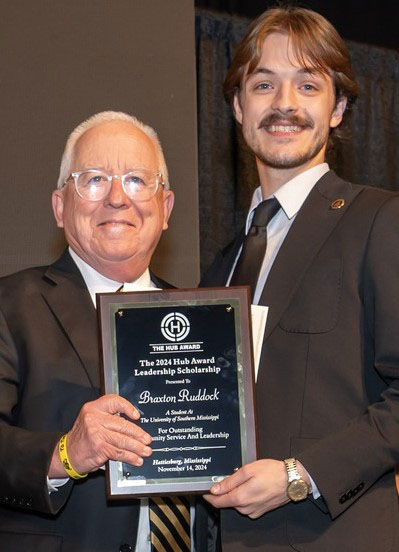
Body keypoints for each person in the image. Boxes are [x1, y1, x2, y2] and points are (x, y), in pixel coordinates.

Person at [201, 6, 399, 551]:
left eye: (307, 85)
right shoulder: (222, 266)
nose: (284, 104)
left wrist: (299, 476)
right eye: (264, 84)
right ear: (239, 108)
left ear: (337, 108)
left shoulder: (380, 222)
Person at [0, 111, 215, 552]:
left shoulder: (207, 321)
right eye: (94, 179)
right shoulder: (11, 305)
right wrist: (64, 454)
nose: (118, 198)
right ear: (60, 207)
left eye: (137, 180)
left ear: (166, 208)